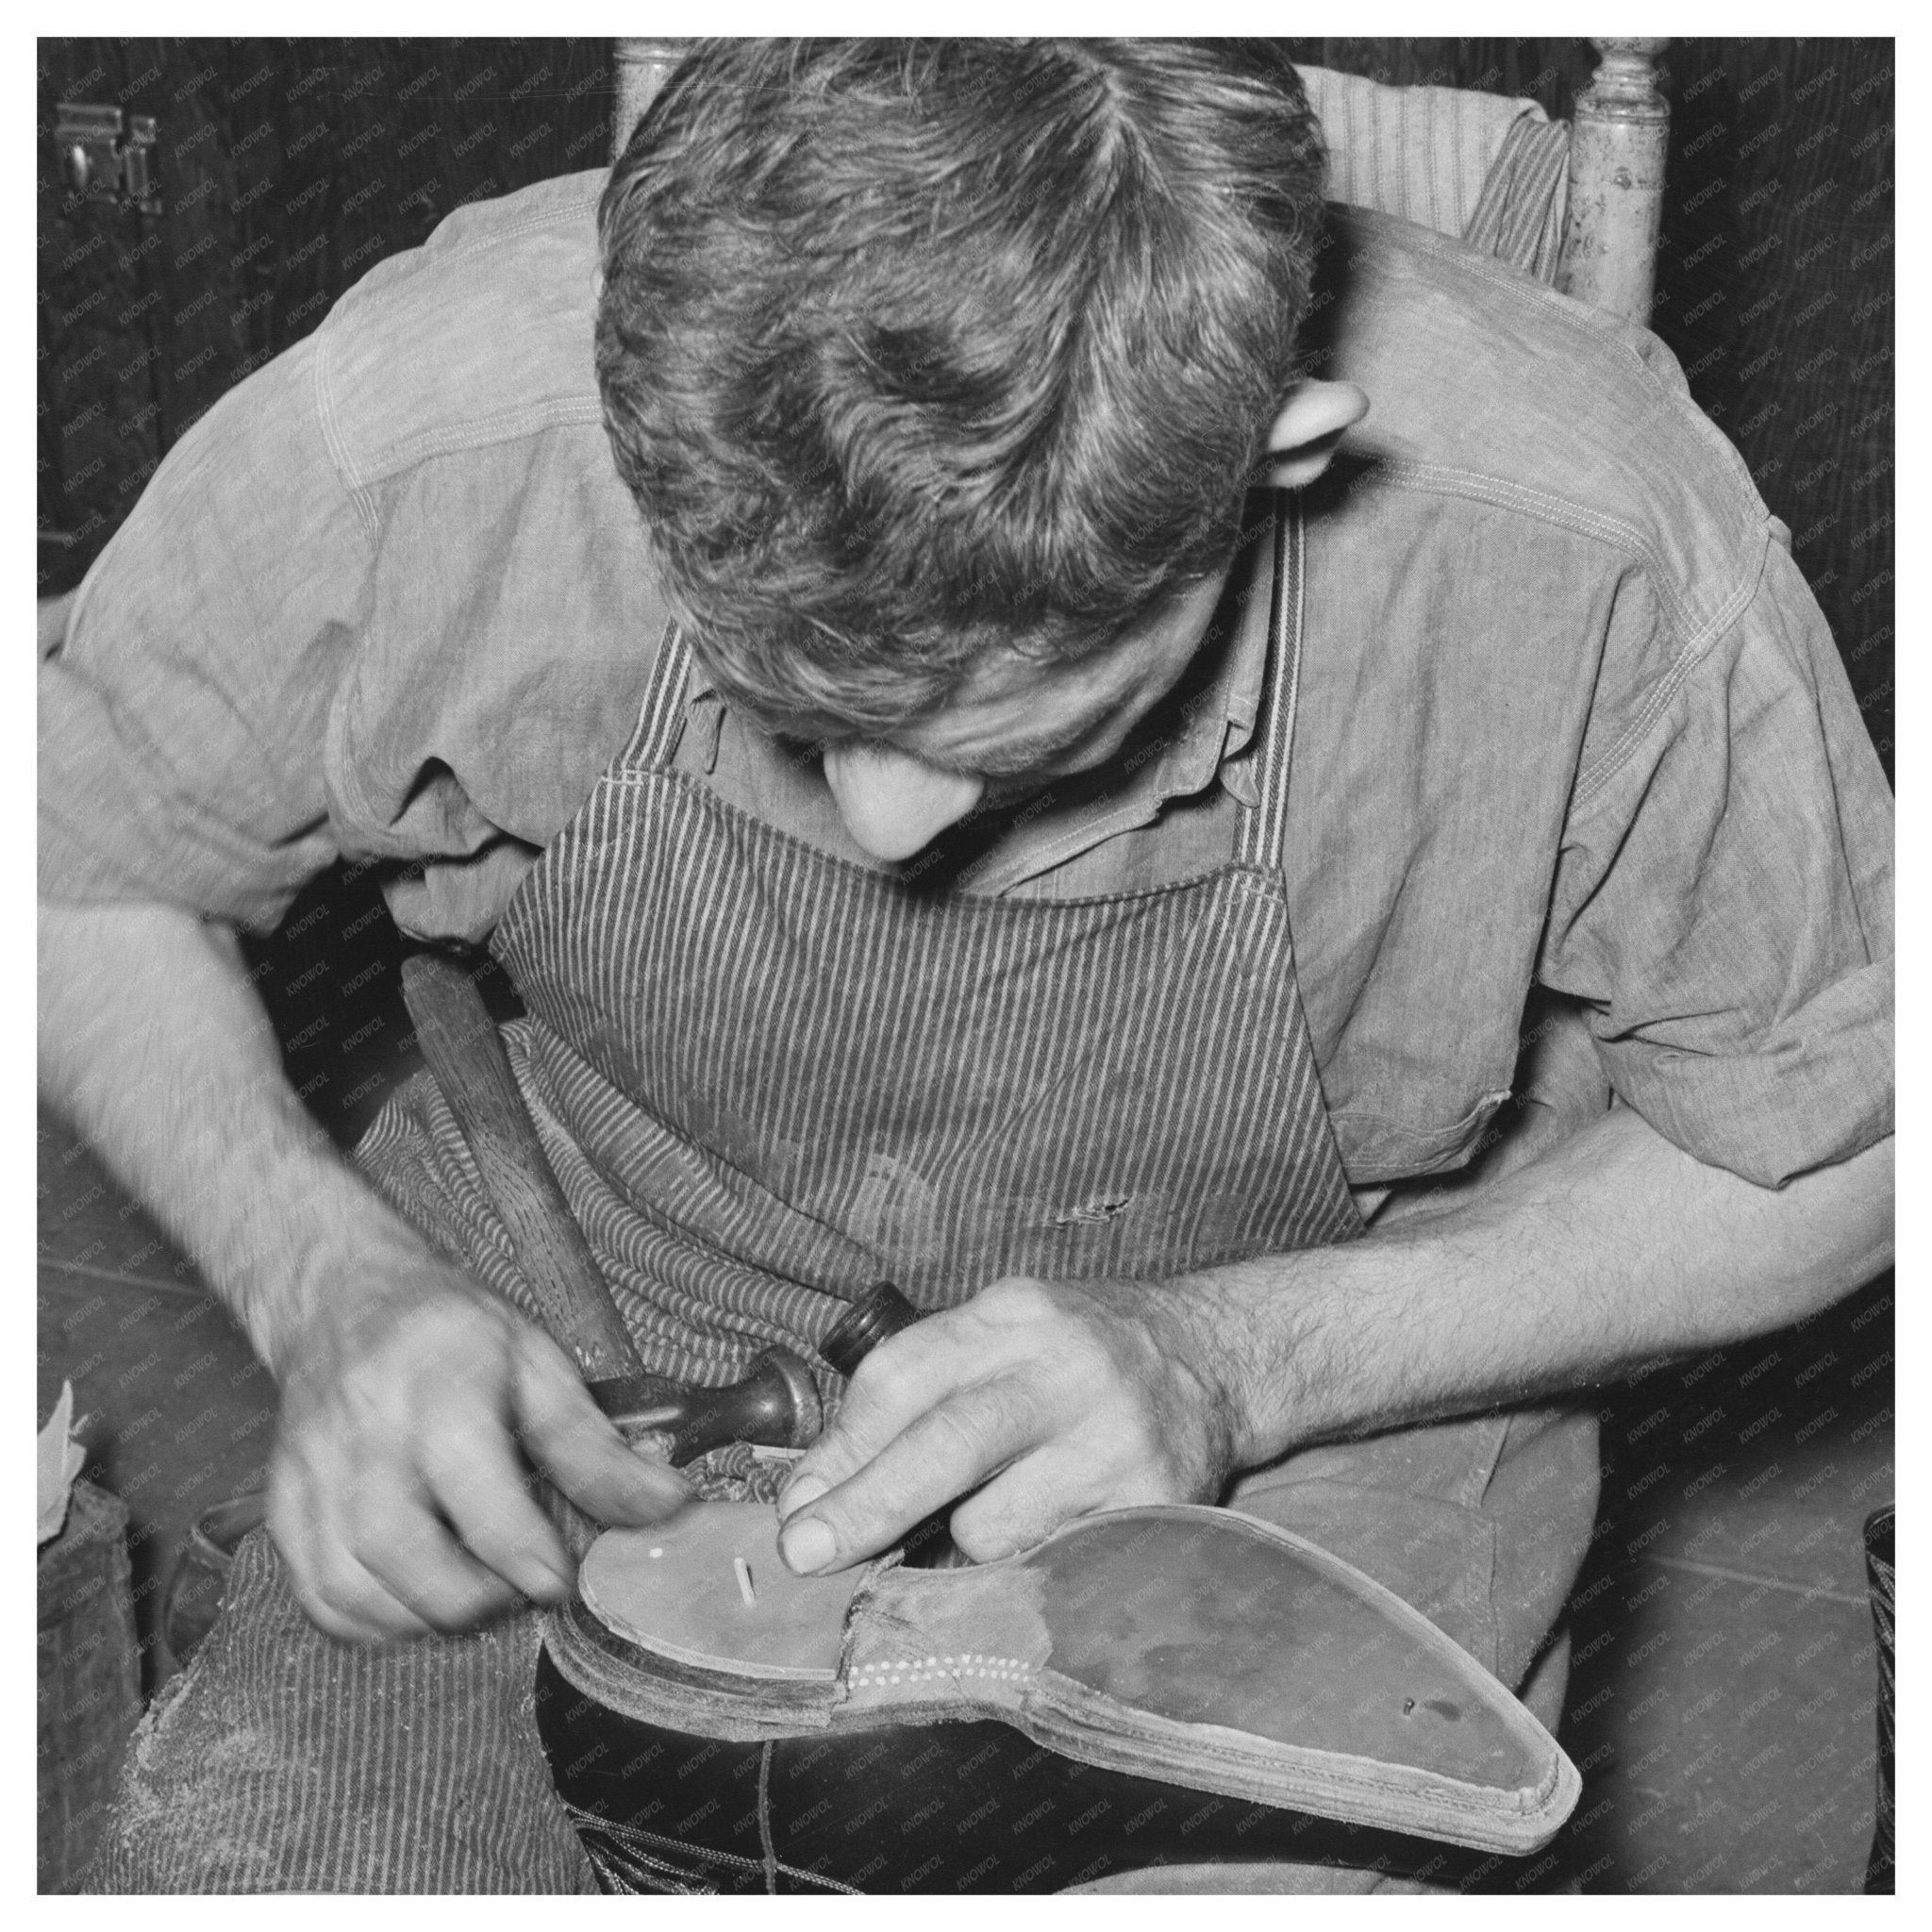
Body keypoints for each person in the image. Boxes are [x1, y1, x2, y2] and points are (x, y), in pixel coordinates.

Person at [40, 41, 1890, 1894]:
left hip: (1320, 1378)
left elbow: (1829, 1153)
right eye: (795, 705)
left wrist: (1224, 1360)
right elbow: (75, 869)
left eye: (994, 723)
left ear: (1278, 463)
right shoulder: (442, 421)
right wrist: (324, 1290)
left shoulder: (1581, 542)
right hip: (584, 1319)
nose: (892, 824)